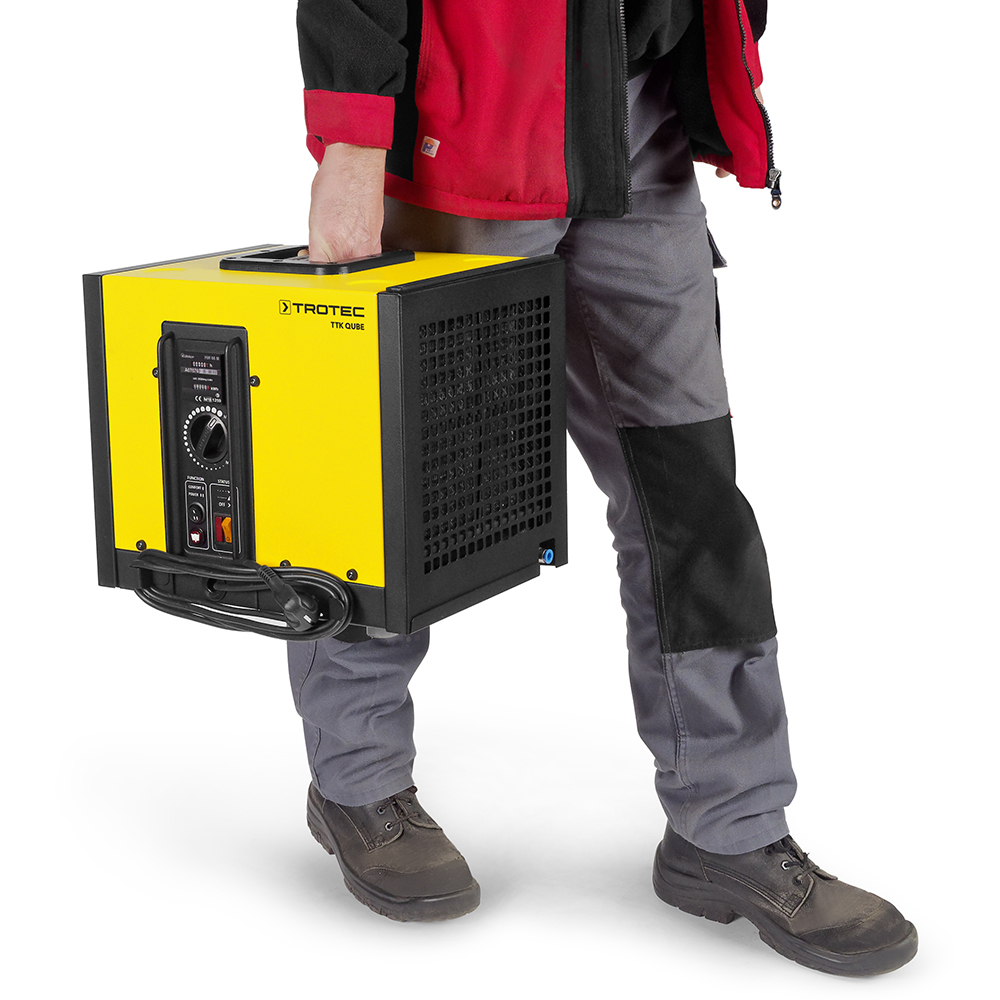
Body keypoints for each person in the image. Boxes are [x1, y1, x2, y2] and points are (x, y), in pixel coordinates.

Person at [288, 0, 918, 976]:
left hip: (639, 130)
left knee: (693, 503)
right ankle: (356, 782)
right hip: (470, 135)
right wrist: (351, 143)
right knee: (406, 493)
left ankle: (728, 826)